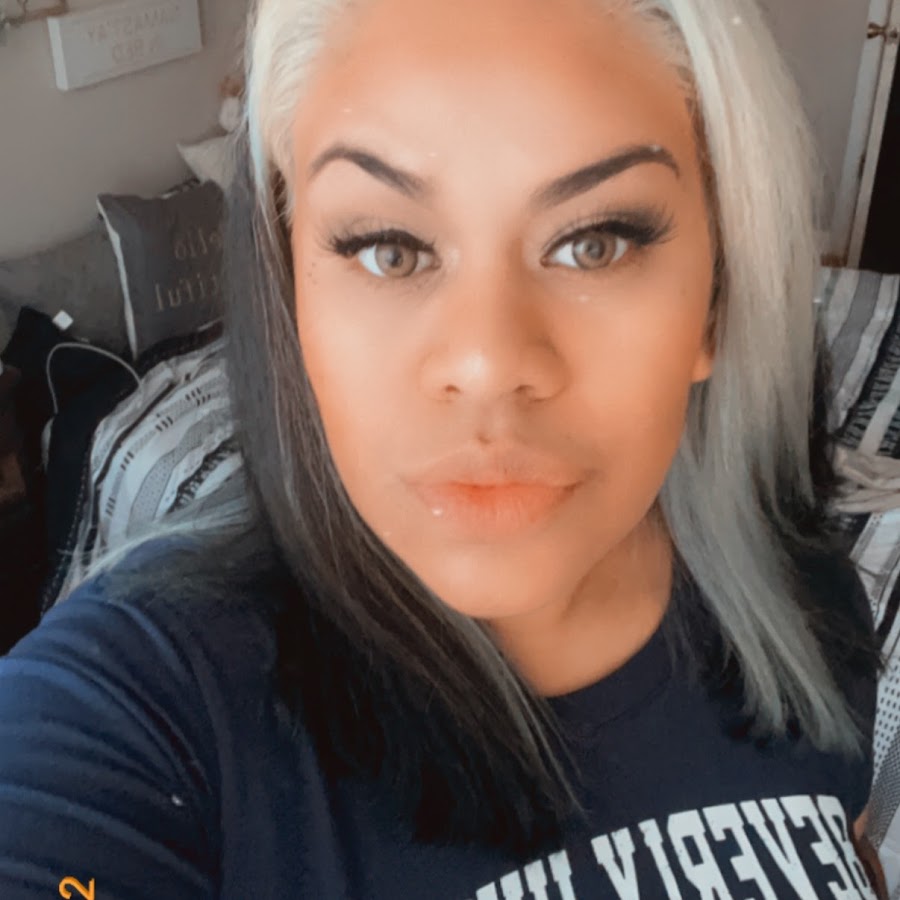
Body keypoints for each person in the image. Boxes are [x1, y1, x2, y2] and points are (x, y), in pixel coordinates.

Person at [0, 0, 888, 896]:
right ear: (290, 296)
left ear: (716, 299)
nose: (488, 364)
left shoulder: (807, 601)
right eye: (388, 249)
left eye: (595, 243)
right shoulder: (138, 706)